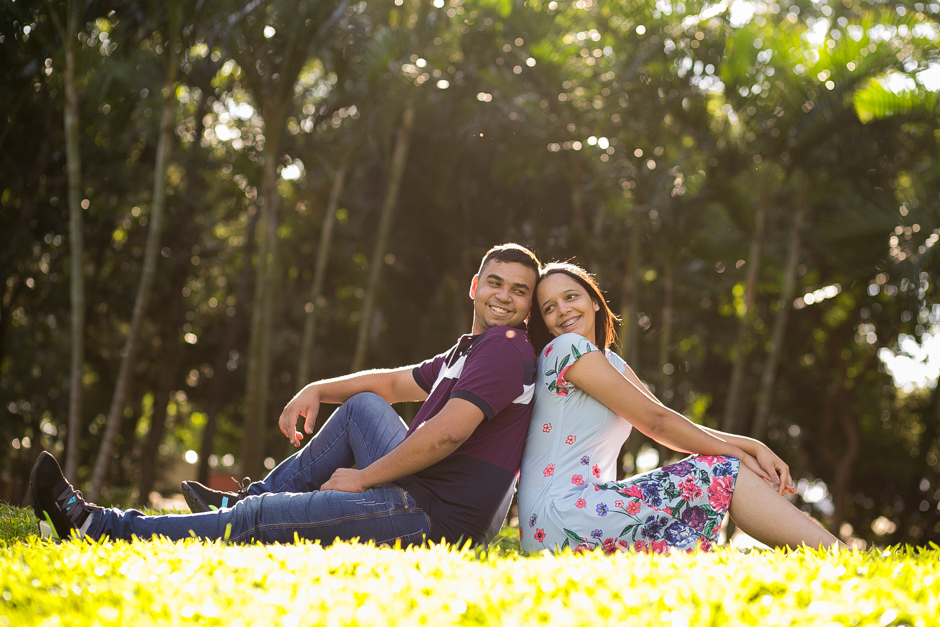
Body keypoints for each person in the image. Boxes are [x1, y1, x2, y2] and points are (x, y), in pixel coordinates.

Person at [30, 243, 540, 547]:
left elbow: (446, 434)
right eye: (495, 282)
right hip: (424, 490)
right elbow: (388, 385)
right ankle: (244, 499)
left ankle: (97, 524)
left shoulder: (505, 346)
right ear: (474, 286)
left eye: (519, 291)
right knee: (362, 405)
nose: (504, 296)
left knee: (259, 522)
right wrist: (316, 388)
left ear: (526, 305)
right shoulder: (470, 350)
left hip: (438, 519)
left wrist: (362, 478)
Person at [517, 262, 844, 554]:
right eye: (549, 307)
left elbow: (668, 419)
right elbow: (656, 423)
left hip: (575, 512)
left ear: (594, 301)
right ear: (544, 322)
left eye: (571, 297)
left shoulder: (607, 361)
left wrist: (750, 445)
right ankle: (841, 556)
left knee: (724, 466)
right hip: (561, 516)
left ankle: (837, 552)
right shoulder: (565, 348)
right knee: (723, 471)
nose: (562, 310)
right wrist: (738, 456)